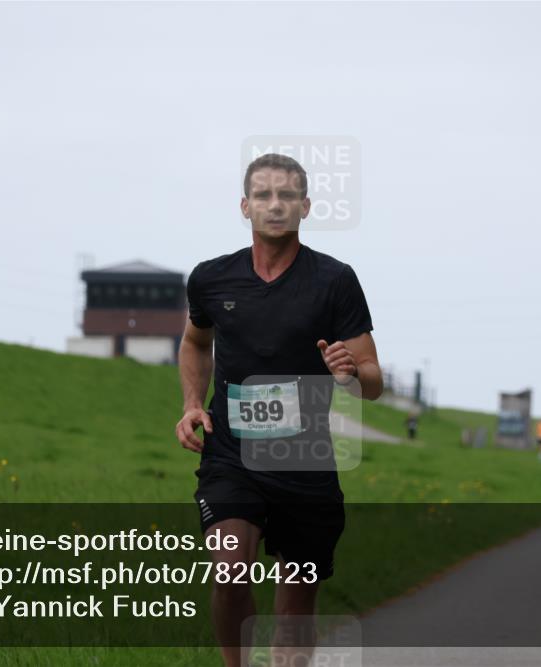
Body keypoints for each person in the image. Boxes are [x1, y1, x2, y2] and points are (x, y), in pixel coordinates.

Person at [175, 153, 383, 667]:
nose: (275, 205)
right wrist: (191, 404)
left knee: (293, 612)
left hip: (305, 463)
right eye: (263, 195)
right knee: (229, 573)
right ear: (244, 206)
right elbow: (195, 343)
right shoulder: (210, 279)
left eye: (287, 195)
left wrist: (351, 374)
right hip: (232, 456)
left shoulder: (334, 280)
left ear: (305, 206)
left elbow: (374, 380)